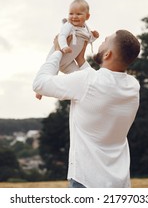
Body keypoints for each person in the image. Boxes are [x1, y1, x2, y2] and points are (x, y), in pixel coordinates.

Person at [33, 29, 140, 188]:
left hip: (87, 182)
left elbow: (39, 84)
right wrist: (81, 61)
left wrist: (57, 51)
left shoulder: (88, 81)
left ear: (107, 55)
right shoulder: (132, 86)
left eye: (105, 40)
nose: (101, 43)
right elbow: (97, 86)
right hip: (120, 183)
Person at [35, 0, 99, 100]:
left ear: (87, 16)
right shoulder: (68, 26)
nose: (74, 16)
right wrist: (64, 46)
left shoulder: (86, 29)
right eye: (71, 13)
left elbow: (88, 39)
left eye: (78, 14)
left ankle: (81, 91)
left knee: (78, 75)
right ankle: (40, 91)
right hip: (59, 56)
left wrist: (94, 37)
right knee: (52, 73)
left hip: (69, 62)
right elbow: (62, 36)